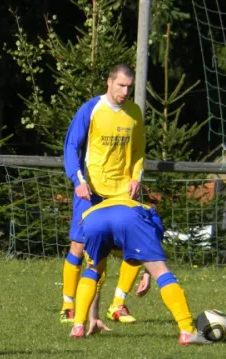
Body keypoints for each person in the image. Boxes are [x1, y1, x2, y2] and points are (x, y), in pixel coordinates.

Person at [61, 63, 149, 326]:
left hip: (121, 191)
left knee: (134, 246)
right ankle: (68, 305)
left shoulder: (134, 113)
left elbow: (138, 152)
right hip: (92, 190)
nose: (125, 91)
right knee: (79, 246)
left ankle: (118, 304)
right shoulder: (91, 109)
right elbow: (71, 147)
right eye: (120, 85)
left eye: (129, 87)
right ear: (109, 83)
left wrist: (136, 177)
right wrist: (78, 180)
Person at [70, 197, 212, 345]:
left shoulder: (96, 209)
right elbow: (152, 245)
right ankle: (187, 330)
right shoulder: (149, 211)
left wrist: (93, 317)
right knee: (162, 272)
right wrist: (148, 273)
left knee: (92, 272)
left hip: (92, 219)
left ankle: (78, 325)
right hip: (128, 217)